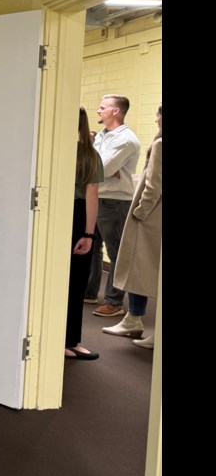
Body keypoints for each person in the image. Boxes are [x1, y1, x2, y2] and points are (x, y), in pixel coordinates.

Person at [102, 103, 162, 348]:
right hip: (153, 216)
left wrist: (140, 212)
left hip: (150, 218)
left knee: (141, 267)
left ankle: (135, 320)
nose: (155, 119)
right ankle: (133, 318)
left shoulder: (159, 144)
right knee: (143, 269)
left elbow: (154, 185)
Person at [89, 95, 141, 317]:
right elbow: (92, 163)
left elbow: (102, 168)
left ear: (116, 112)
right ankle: (90, 291)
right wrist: (97, 162)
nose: (98, 110)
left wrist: (99, 163)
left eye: (103, 107)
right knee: (92, 248)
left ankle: (115, 302)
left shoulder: (126, 140)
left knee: (116, 252)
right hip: (98, 196)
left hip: (115, 202)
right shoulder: (102, 135)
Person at [65, 107, 104, 361]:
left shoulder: (50, 150)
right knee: (76, 281)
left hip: (50, 213)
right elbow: (91, 195)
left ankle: (58, 339)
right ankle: (70, 340)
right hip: (78, 215)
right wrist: (89, 234)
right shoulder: (90, 154)